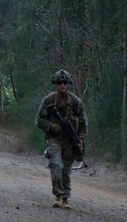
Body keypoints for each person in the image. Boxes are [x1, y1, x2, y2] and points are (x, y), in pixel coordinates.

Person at [35, 68, 88, 209]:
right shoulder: (49, 100)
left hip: (70, 141)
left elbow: (83, 123)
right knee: (56, 166)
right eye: (59, 83)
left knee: (66, 171)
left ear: (68, 84)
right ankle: (58, 195)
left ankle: (65, 198)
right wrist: (52, 127)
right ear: (55, 84)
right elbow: (39, 120)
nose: (62, 85)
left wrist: (80, 140)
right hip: (54, 139)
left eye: (64, 83)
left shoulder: (76, 102)